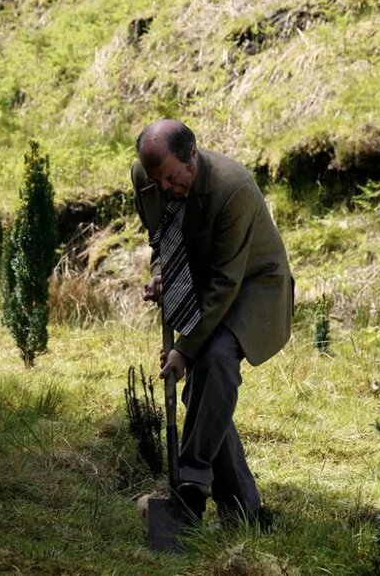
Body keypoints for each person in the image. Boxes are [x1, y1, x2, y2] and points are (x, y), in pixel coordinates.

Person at [131, 119, 293, 525]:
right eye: (156, 180)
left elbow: (226, 281)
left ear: (193, 155)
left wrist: (184, 349)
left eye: (171, 177)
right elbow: (160, 238)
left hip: (253, 284)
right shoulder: (146, 176)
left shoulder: (232, 188)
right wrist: (159, 273)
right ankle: (246, 511)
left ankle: (190, 487)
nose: (164, 187)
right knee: (206, 395)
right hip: (203, 279)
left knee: (215, 359)